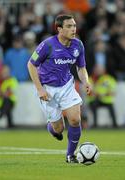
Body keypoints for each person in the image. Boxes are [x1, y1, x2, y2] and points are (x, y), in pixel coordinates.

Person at [27, 14, 91, 163]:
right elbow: (31, 65)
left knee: (75, 120)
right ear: (59, 29)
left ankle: (70, 155)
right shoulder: (48, 45)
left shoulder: (78, 45)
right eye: (69, 26)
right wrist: (39, 89)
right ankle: (53, 129)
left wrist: (85, 81)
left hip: (66, 86)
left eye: (74, 25)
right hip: (47, 89)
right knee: (59, 128)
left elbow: (81, 68)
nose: (73, 29)